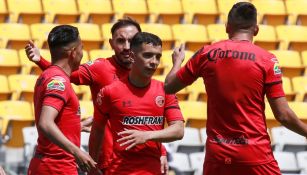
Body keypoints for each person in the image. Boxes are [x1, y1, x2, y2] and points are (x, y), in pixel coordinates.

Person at [164, 2, 307, 175]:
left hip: (217, 153)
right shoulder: (267, 60)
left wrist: (177, 61)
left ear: (227, 27)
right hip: (254, 153)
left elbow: (169, 87)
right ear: (256, 29)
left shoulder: (206, 53)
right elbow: (283, 115)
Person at [25, 18, 169, 174]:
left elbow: (150, 120)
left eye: (132, 41)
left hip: (143, 164)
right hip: (108, 164)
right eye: (121, 41)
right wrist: (41, 61)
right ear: (111, 43)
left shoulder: (148, 79)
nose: (127, 47)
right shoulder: (100, 68)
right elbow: (66, 72)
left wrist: (161, 151)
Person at [89, 32, 184, 175]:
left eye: (158, 56)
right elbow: (97, 131)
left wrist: (146, 136)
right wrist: (92, 167)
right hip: (119, 171)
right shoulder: (109, 92)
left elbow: (178, 130)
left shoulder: (165, 91)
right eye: (148, 55)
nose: (154, 62)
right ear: (132, 56)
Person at [27, 25, 96, 175]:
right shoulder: (59, 81)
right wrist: (77, 152)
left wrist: (76, 126)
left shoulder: (49, 75)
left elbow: (53, 121)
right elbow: (45, 123)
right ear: (73, 53)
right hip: (56, 167)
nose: (82, 53)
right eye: (81, 48)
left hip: (46, 164)